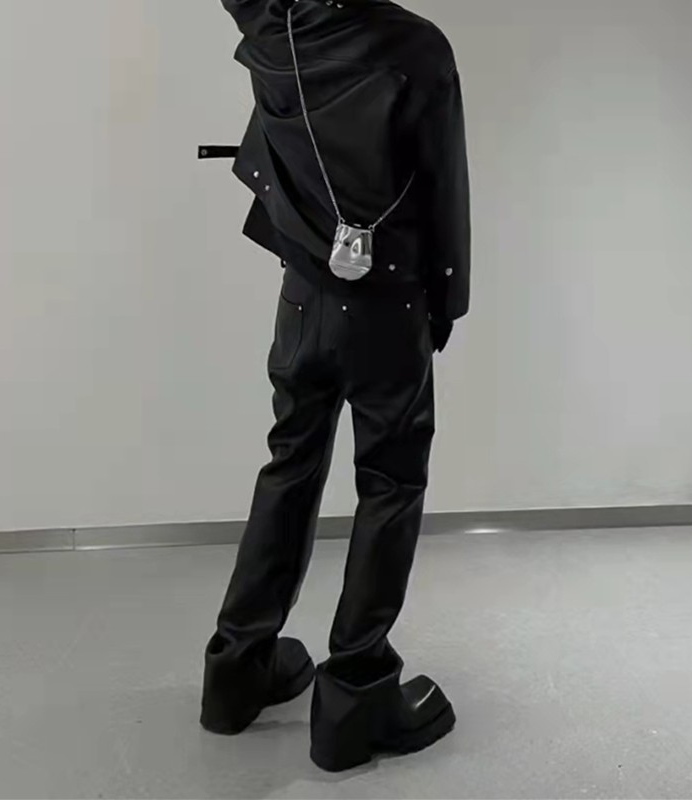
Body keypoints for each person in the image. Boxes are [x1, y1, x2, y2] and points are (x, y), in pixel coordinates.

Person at [201, 0, 470, 772]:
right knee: (390, 481)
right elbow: (444, 187)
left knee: (290, 462)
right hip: (387, 304)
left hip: (301, 296)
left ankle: (237, 670)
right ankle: (356, 693)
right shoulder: (414, 47)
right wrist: (446, 302)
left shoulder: (271, 24)